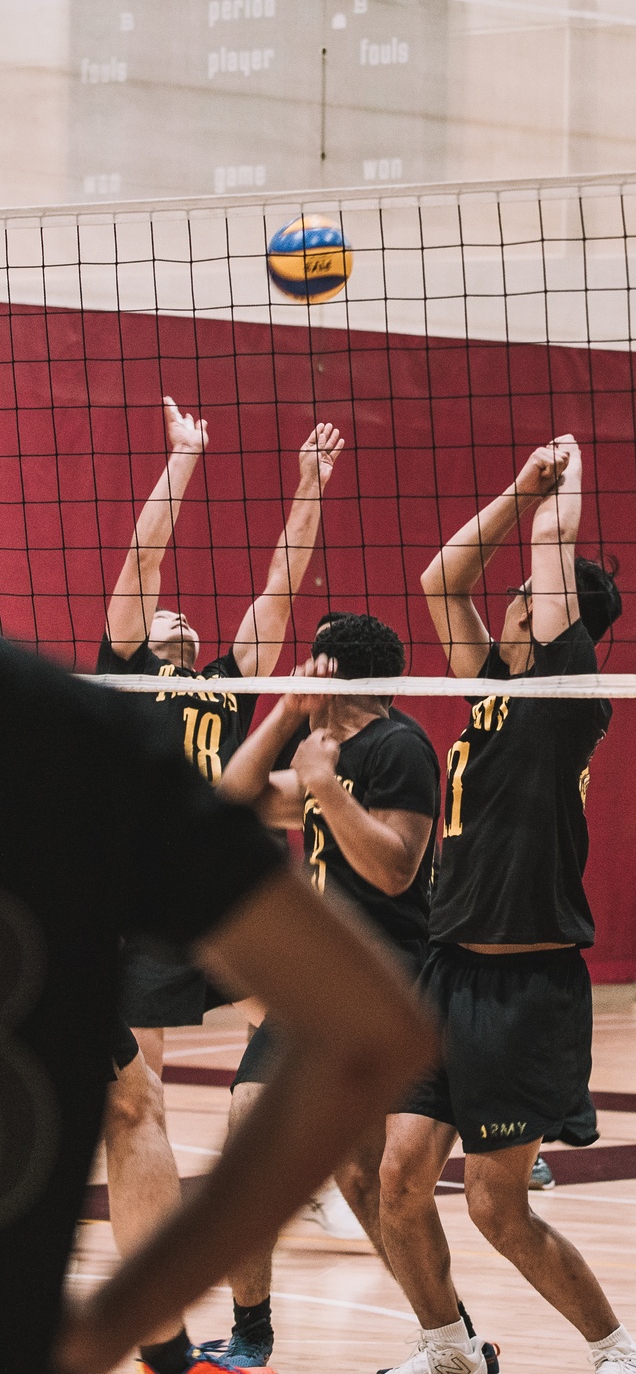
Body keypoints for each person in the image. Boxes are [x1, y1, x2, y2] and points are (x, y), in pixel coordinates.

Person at [0, 636, 437, 1374]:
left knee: (143, 1100)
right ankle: (212, 1335)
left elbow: (390, 881)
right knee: (164, 1104)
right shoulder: (68, 724)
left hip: (373, 958)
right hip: (309, 965)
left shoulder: (396, 751)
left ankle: (196, 1342)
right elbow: (371, 1032)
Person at [378, 435, 636, 1374]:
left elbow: (553, 554)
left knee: (497, 1206)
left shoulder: (571, 694)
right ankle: (448, 1347)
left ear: (561, 614)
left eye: (533, 592)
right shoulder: (494, 687)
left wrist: (562, 488)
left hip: (527, 984)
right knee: (400, 1184)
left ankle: (616, 1350)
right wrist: (515, 488)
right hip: (446, 970)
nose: (515, 596)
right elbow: (438, 581)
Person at [217, 612, 444, 1367]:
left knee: (366, 1179)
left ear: (330, 669)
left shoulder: (398, 745)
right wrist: (282, 716)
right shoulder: (320, 746)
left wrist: (324, 786)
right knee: (251, 1137)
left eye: (305, 667)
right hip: (315, 981)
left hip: (386, 980)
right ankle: (251, 1332)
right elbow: (232, 801)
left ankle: (449, 1335)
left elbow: (395, 868)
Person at [98, 395, 344, 1071]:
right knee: (137, 1083)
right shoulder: (127, 668)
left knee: (295, 1032)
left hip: (228, 875)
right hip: (152, 877)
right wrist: (184, 457)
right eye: (164, 613)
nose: (176, 616)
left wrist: (309, 487)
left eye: (183, 614)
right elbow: (144, 558)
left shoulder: (228, 680)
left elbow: (281, 584)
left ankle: (289, 1155)